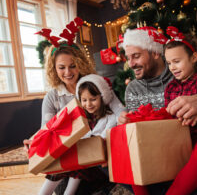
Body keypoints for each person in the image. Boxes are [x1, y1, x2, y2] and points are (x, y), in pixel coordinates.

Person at [118, 27, 197, 195]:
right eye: (127, 58)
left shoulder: (187, 75)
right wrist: (126, 121)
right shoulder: (135, 89)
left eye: (136, 56)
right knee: (129, 156)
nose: (131, 64)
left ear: (155, 53)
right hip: (164, 144)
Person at [23, 39, 124, 195]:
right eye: (61, 68)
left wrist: (124, 117)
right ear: (54, 69)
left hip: (94, 152)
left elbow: (118, 109)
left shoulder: (93, 85)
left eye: (72, 66)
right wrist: (33, 141)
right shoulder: (52, 97)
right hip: (68, 156)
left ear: (80, 64)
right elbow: (46, 129)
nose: (68, 72)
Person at [162, 26, 197, 195]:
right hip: (180, 141)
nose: (172, 67)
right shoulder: (170, 88)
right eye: (169, 63)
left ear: (193, 57)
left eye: (177, 61)